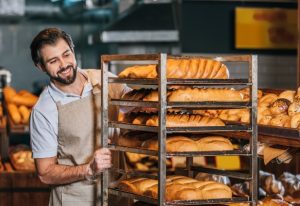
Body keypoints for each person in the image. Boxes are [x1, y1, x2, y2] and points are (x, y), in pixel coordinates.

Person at [30, 28, 130, 206]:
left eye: (66, 54)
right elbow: (45, 173)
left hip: (116, 195)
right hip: (75, 200)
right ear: (41, 66)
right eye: (53, 61)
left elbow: (137, 107)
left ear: (73, 50)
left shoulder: (104, 80)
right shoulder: (44, 110)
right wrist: (88, 169)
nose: (64, 64)